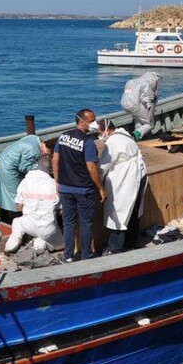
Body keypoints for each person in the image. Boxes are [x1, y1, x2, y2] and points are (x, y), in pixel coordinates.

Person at [52, 108, 106, 262]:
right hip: (84, 189)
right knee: (86, 223)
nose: (95, 123)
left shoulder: (62, 137)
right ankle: (86, 254)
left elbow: (55, 160)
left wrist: (57, 181)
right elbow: (91, 167)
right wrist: (101, 188)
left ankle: (68, 255)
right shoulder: (88, 142)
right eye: (92, 120)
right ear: (82, 121)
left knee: (69, 223)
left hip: (66, 188)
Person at [96, 119, 148, 254]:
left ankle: (115, 247)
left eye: (100, 132)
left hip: (127, 178)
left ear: (107, 130)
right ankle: (131, 243)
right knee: (134, 211)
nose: (99, 136)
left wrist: (98, 182)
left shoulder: (112, 143)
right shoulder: (125, 135)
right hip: (139, 174)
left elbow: (104, 165)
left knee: (120, 211)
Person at [0, 135, 56, 223]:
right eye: (49, 153)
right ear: (49, 150)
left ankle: (4, 219)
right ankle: (14, 221)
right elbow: (24, 167)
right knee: (14, 196)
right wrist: (42, 166)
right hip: (9, 169)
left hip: (3, 161)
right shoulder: (33, 150)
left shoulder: (34, 138)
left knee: (4, 195)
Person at [4, 155, 64, 254]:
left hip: (28, 224)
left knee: (17, 222)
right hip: (47, 227)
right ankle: (42, 244)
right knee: (61, 244)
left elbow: (19, 207)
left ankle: (13, 241)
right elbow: (60, 211)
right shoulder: (53, 184)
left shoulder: (25, 182)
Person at [121, 71, 161, 141]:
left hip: (126, 105)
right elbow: (146, 99)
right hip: (136, 106)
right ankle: (137, 133)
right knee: (150, 124)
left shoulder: (130, 82)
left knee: (137, 120)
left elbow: (128, 93)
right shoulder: (146, 84)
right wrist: (150, 108)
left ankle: (136, 137)